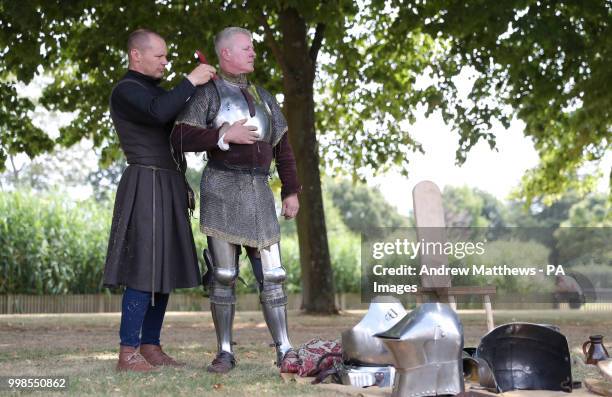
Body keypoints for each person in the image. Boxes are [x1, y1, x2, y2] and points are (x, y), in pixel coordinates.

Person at [171, 27, 301, 373]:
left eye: (253, 48)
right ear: (225, 54)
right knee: (224, 275)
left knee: (273, 276)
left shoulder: (264, 97)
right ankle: (225, 352)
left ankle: (285, 349)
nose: (253, 53)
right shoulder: (207, 94)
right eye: (247, 48)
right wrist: (223, 134)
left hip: (259, 192)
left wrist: (290, 190)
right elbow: (179, 135)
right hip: (222, 191)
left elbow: (283, 147)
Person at [103, 28, 216, 372]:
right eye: (160, 56)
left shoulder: (157, 92)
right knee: (143, 268)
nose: (166, 62)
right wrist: (190, 80)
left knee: (163, 267)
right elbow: (158, 112)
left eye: (167, 57)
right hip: (146, 182)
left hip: (167, 182)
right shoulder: (127, 90)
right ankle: (128, 352)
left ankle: (150, 346)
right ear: (136, 55)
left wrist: (221, 134)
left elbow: (176, 129)